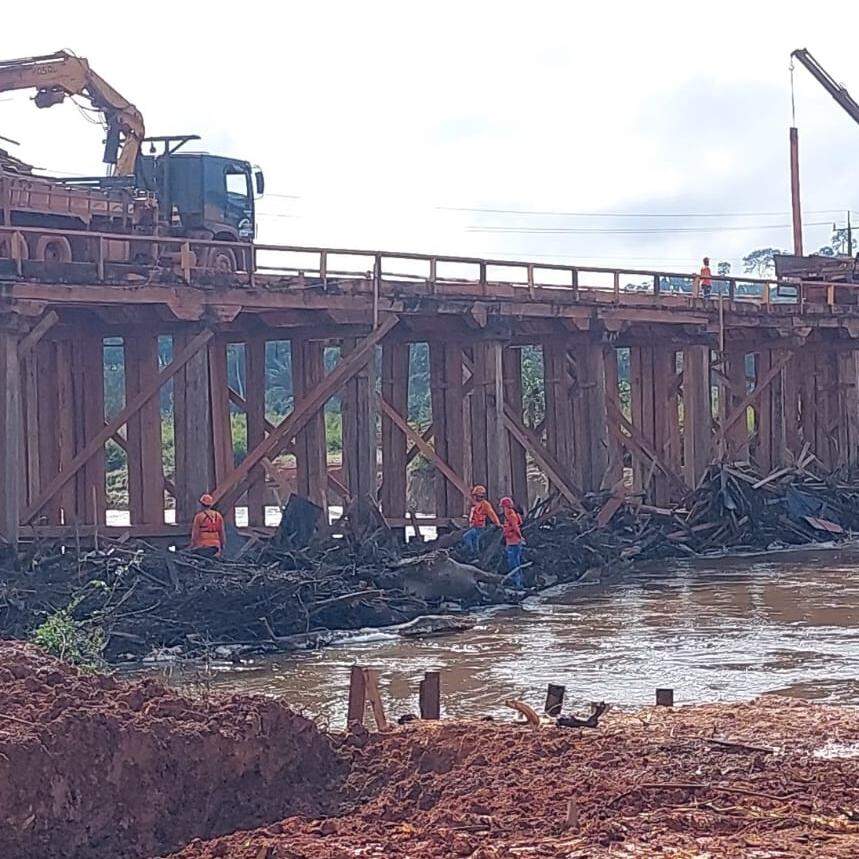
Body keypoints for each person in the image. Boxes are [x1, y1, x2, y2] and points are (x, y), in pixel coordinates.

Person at [462, 485, 500, 555]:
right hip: (473, 526)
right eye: (476, 495)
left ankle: (473, 553)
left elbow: (492, 514)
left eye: (479, 496)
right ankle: (474, 553)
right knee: (474, 539)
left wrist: (497, 524)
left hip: (479, 527)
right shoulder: (474, 503)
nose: (477, 497)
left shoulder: (485, 505)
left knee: (468, 537)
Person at [190, 493, 226, 558]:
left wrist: (192, 546)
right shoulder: (218, 516)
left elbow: (195, 533)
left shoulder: (199, 517)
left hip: (203, 545)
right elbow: (222, 533)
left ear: (202, 504)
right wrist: (222, 545)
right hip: (216, 545)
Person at [500, 496, 525, 587]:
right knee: (514, 562)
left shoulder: (512, 516)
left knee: (514, 563)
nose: (503, 510)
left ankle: (518, 584)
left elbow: (516, 527)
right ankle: (518, 582)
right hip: (511, 542)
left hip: (514, 543)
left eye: (503, 507)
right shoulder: (509, 516)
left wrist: (520, 537)